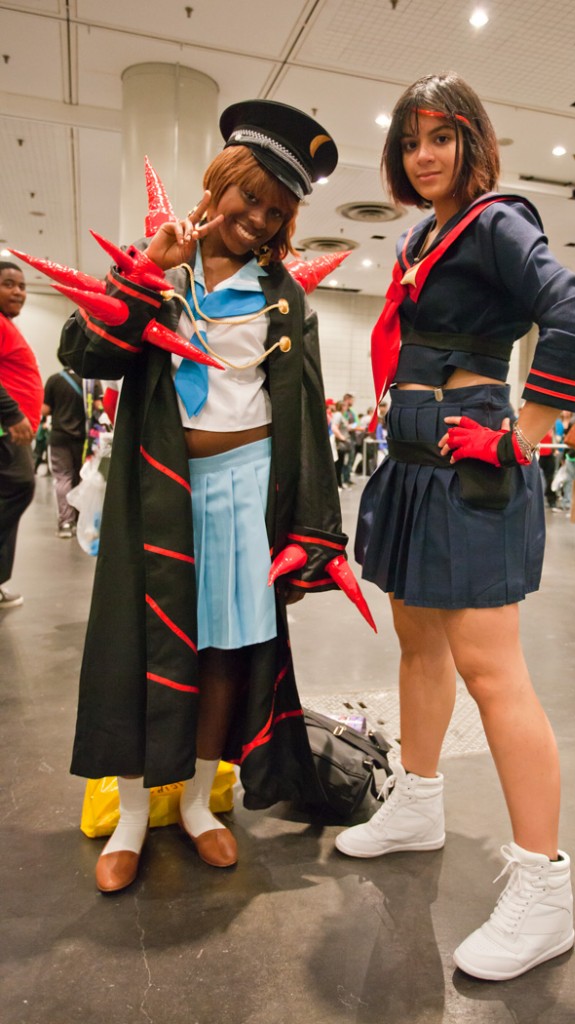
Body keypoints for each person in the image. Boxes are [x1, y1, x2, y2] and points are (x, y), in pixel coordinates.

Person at [334, 72, 575, 982]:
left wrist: (527, 431)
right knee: (417, 644)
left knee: (495, 673)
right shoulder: (422, 234)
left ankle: (543, 888)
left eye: (440, 138)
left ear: (471, 141)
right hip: (415, 467)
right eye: (410, 142)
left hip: (469, 469)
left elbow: (572, 314)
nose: (424, 155)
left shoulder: (496, 221)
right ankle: (419, 801)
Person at [57, 100, 348, 893]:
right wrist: (146, 271)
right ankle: (127, 815)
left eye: (275, 210)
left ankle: (194, 806)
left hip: (247, 491)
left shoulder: (285, 300)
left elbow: (306, 421)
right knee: (138, 645)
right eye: (246, 196)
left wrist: (316, 531)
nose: (255, 218)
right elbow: (86, 352)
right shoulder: (162, 267)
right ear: (218, 181)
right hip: (158, 489)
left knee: (225, 650)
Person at [0, 261, 43, 609]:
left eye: (22, 286)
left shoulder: (6, 326)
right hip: (5, 429)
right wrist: (13, 414)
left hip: (11, 430)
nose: (18, 292)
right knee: (20, 485)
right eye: (8, 284)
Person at [42, 362, 92, 538]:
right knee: (82, 477)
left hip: (59, 437)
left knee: (63, 478)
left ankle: (65, 522)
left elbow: (45, 409)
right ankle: (81, 520)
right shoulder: (89, 382)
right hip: (83, 438)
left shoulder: (54, 380)